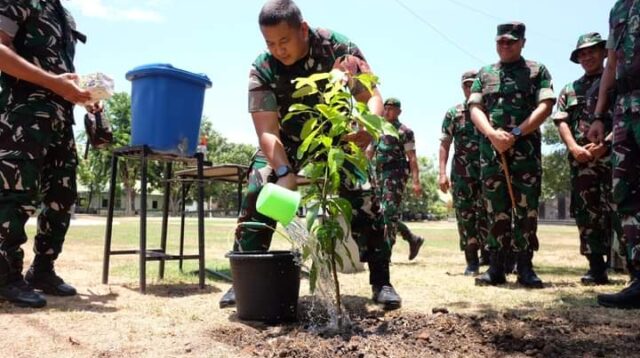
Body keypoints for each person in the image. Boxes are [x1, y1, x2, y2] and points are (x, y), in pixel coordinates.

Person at [219, 0, 402, 310]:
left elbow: (371, 97)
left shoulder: (337, 48)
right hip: (285, 143)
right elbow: (266, 130)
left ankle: (381, 280)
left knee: (365, 192)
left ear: (302, 29)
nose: (279, 50)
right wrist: (283, 171)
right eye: (270, 43)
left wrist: (369, 128)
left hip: (335, 138)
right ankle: (244, 280)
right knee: (258, 186)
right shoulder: (262, 66)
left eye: (284, 41)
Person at [0, 0, 92, 308]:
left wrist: (84, 95)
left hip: (60, 119)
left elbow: (59, 70)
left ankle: (43, 270)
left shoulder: (62, 13)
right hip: (21, 118)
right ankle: (5, 276)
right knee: (15, 195)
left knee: (61, 196)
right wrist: (54, 83)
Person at [468, 22, 555, 288]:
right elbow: (475, 108)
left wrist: (515, 133)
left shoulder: (536, 70)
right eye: (501, 41)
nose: (505, 45)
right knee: (496, 208)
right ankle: (495, 268)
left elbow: (546, 106)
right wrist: (493, 135)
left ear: (523, 42)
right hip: (492, 153)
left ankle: (525, 267)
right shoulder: (485, 73)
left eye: (511, 41)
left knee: (526, 209)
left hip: (525, 152)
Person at [552, 32, 615, 285]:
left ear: (604, 52)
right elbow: (561, 122)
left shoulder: (616, 82)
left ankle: (633, 269)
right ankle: (596, 267)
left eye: (592, 51)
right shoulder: (570, 89)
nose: (587, 56)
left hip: (615, 157)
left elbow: (625, 115)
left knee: (622, 210)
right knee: (586, 212)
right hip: (581, 161)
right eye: (582, 53)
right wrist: (574, 149)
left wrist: (607, 143)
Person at [589, 0, 640, 309]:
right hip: (624, 108)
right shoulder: (618, 9)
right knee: (626, 194)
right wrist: (599, 115)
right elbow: (611, 64)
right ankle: (638, 279)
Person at [439, 70, 489, 276]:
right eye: (466, 85)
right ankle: (471, 260)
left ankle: (491, 255)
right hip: (462, 173)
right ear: (462, 87)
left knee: (489, 213)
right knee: (466, 215)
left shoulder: (490, 110)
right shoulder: (454, 113)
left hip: (489, 171)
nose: (470, 88)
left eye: (473, 84)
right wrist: (442, 173)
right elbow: (445, 143)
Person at [372, 97, 424, 261]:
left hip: (396, 174)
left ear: (399, 111)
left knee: (388, 211)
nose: (387, 111)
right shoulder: (378, 129)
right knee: (382, 213)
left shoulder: (404, 132)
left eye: (392, 108)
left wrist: (416, 181)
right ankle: (412, 238)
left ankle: (386, 253)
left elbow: (412, 158)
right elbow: (370, 151)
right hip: (379, 175)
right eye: (386, 108)